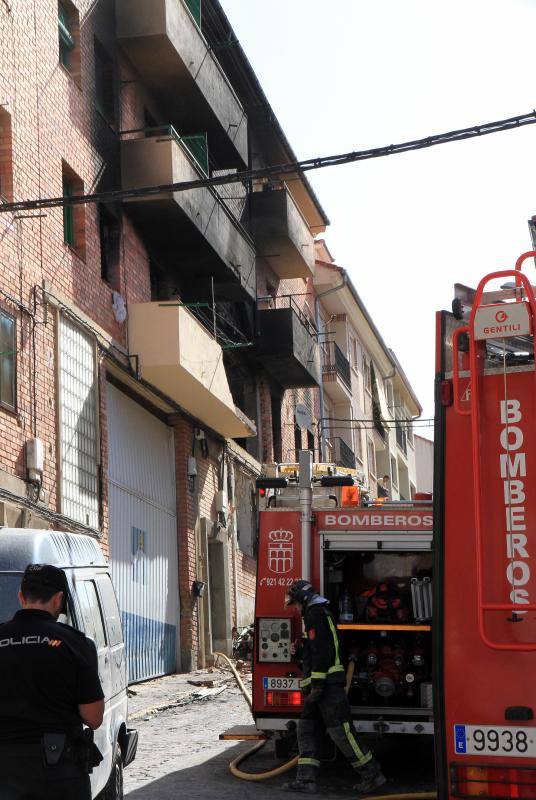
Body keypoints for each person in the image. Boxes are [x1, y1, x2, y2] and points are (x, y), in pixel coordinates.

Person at [0, 563, 105, 800]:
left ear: (20, 597)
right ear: (59, 599)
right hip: (59, 773)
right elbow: (94, 717)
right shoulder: (76, 644)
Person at [283, 579, 386, 796]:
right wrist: (301, 651)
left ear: (303, 599)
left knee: (342, 734)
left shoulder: (316, 615)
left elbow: (324, 653)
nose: (296, 608)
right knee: (307, 729)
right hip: (318, 690)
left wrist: (318, 685)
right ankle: (306, 779)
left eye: (296, 604)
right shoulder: (315, 615)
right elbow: (316, 651)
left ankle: (372, 774)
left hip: (327, 689)